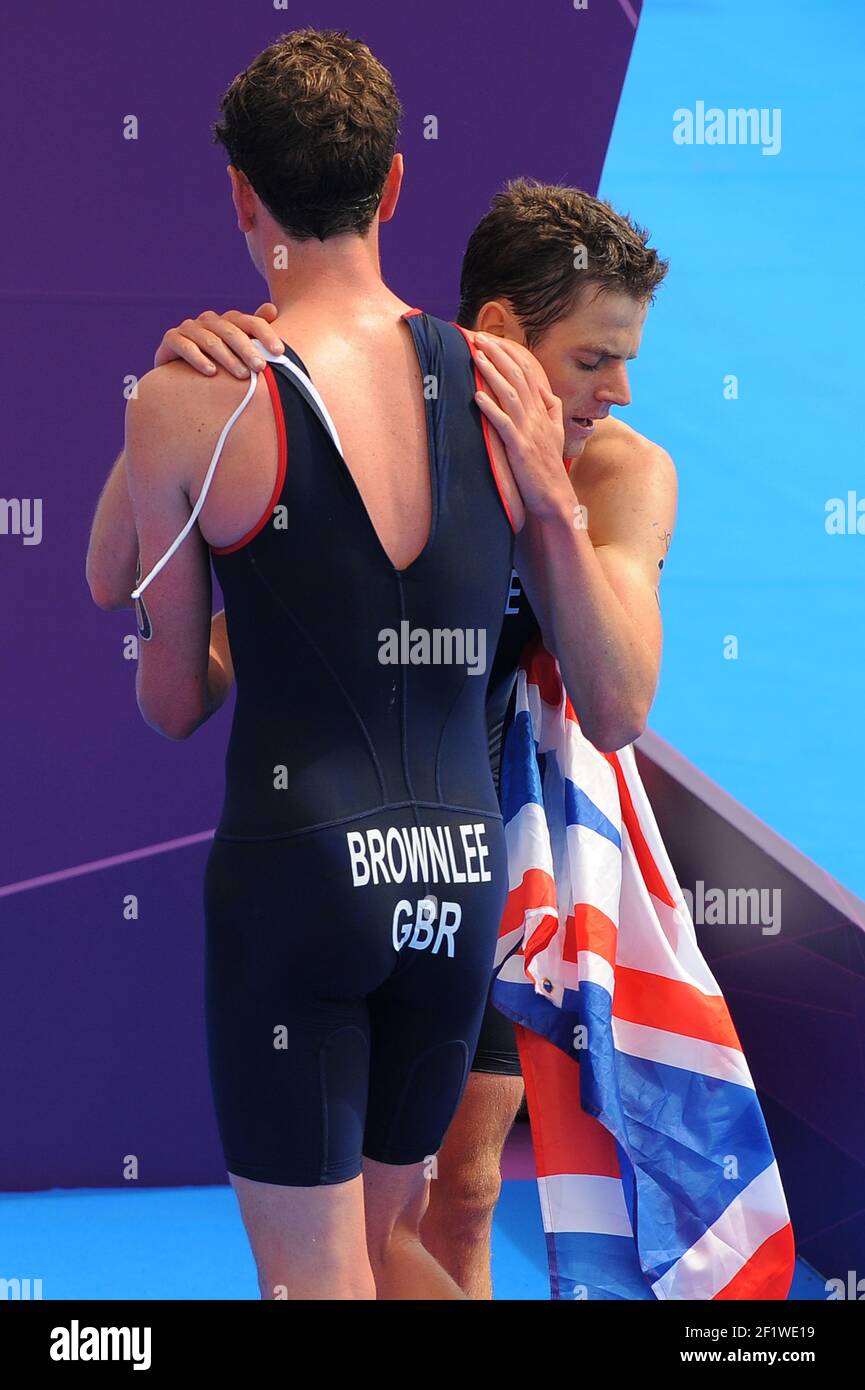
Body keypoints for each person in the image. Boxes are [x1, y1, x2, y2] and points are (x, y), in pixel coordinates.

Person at [84, 30, 579, 1301]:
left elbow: (173, 698)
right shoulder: (497, 378)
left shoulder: (192, 396)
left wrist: (161, 437)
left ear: (241, 195)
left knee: (312, 1288)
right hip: (455, 883)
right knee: (384, 1251)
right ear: (394, 188)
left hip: (297, 885)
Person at [155, 178, 676, 1297]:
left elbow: (621, 699)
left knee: (471, 1185)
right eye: (592, 360)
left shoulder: (620, 469)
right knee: (384, 1230)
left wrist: (551, 502)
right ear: (499, 336)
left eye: (623, 359)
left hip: (500, 853)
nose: (618, 391)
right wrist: (174, 418)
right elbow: (229, 663)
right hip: (357, 852)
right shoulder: (379, 419)